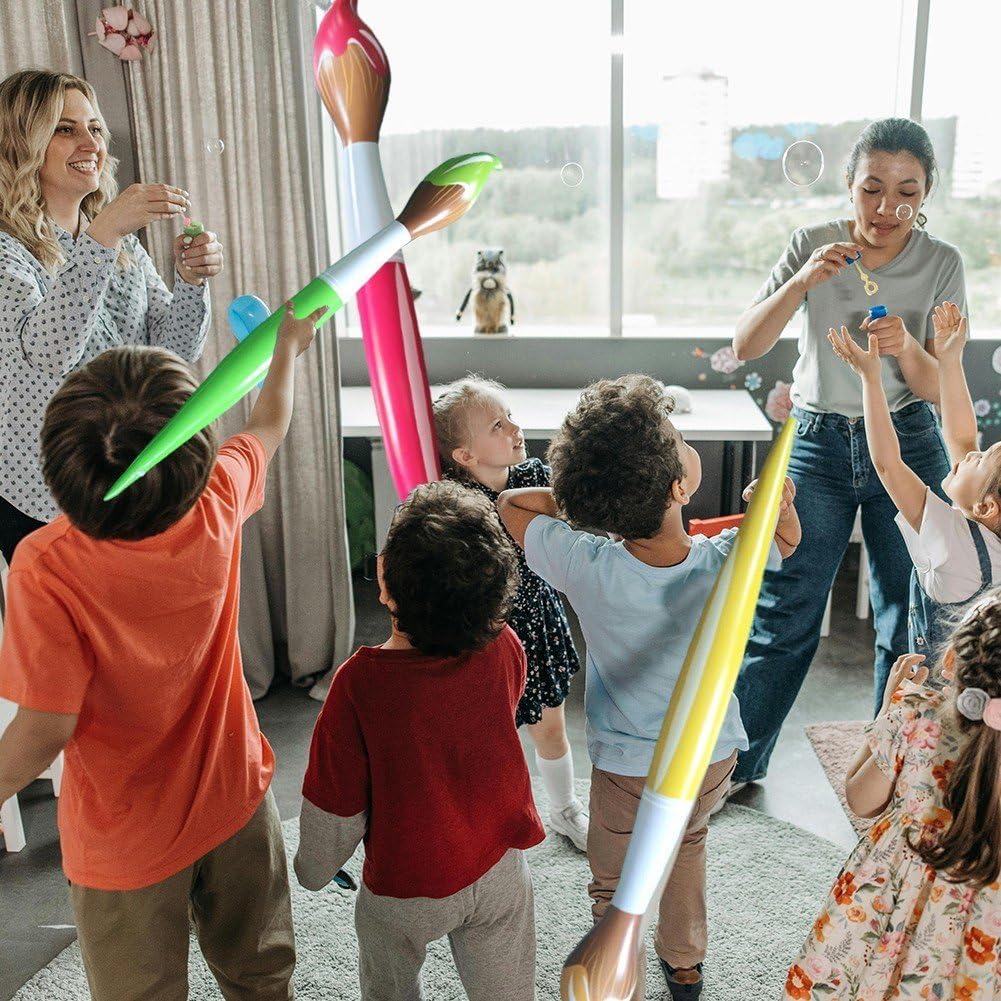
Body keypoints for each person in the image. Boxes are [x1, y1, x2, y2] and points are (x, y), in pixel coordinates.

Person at [0, 301, 324, 1000]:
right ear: (196, 450)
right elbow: (268, 423)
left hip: (126, 841)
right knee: (263, 974)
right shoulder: (215, 499)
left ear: (57, 467)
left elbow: (44, 728)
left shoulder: (45, 565)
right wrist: (286, 349)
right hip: (236, 800)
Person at [497, 374, 799, 1000]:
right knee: (687, 843)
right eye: (679, 439)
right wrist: (779, 505)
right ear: (680, 488)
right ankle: (685, 963)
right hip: (710, 755)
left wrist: (586, 505)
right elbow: (786, 540)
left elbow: (511, 507)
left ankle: (619, 979)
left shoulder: (585, 563)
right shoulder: (728, 559)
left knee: (615, 884)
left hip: (625, 766)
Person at [730, 118, 964, 794]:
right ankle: (737, 767)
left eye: (906, 193)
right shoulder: (811, 244)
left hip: (909, 442)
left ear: (924, 195)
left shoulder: (941, 262)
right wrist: (801, 281)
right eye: (871, 188)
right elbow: (745, 344)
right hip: (816, 443)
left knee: (913, 614)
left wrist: (905, 348)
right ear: (849, 184)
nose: (886, 208)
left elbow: (939, 385)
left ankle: (890, 767)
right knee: (784, 611)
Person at [295, 481, 545, 1001]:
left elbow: (336, 803)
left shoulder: (360, 685)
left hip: (406, 883)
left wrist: (314, 869)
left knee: (388, 982)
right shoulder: (504, 644)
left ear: (385, 581)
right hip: (498, 860)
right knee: (508, 987)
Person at [0, 69, 224, 564]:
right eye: (65, 129)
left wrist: (190, 282)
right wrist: (102, 237)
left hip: (130, 476)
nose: (91, 144)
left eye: (95, 128)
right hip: (48, 495)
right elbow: (50, 353)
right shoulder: (7, 250)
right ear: (20, 143)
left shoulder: (120, 244)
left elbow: (172, 353)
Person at [786, 591, 1001, 1000]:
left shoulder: (918, 716)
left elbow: (862, 799)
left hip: (886, 904)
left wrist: (890, 709)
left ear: (951, 659)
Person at [433, 376, 587, 849]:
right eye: (498, 426)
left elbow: (572, 508)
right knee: (485, 737)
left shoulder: (534, 479)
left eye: (511, 416)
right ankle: (480, 815)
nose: (516, 429)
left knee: (551, 728)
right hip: (484, 637)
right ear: (465, 455)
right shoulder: (455, 506)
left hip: (537, 625)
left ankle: (564, 809)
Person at [829, 301, 1000, 675]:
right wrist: (950, 360)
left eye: (980, 459)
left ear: (987, 507)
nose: (971, 452)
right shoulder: (988, 535)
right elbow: (961, 436)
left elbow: (888, 465)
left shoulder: (953, 541)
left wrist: (870, 380)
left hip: (938, 692)